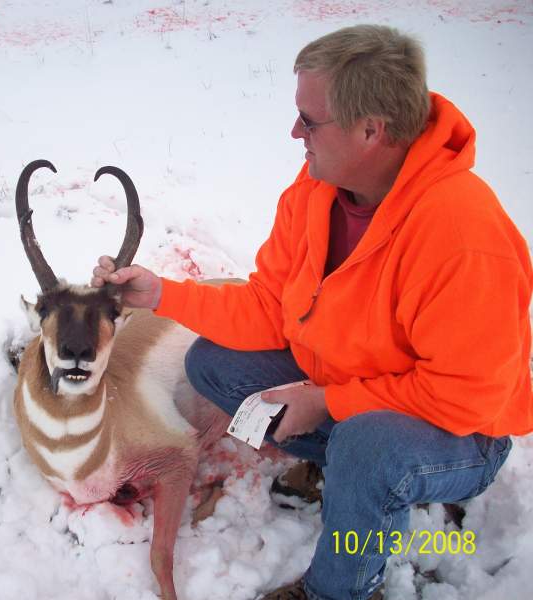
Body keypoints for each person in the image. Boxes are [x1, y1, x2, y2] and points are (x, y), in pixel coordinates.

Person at [91, 24, 533, 600]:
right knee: (214, 364)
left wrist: (325, 402)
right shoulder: (317, 189)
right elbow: (268, 305)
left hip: (461, 435)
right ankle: (358, 478)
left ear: (371, 130)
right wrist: (162, 296)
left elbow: (464, 399)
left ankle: (339, 585)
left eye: (310, 119)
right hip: (355, 389)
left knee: (368, 447)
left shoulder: (461, 235)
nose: (295, 131)